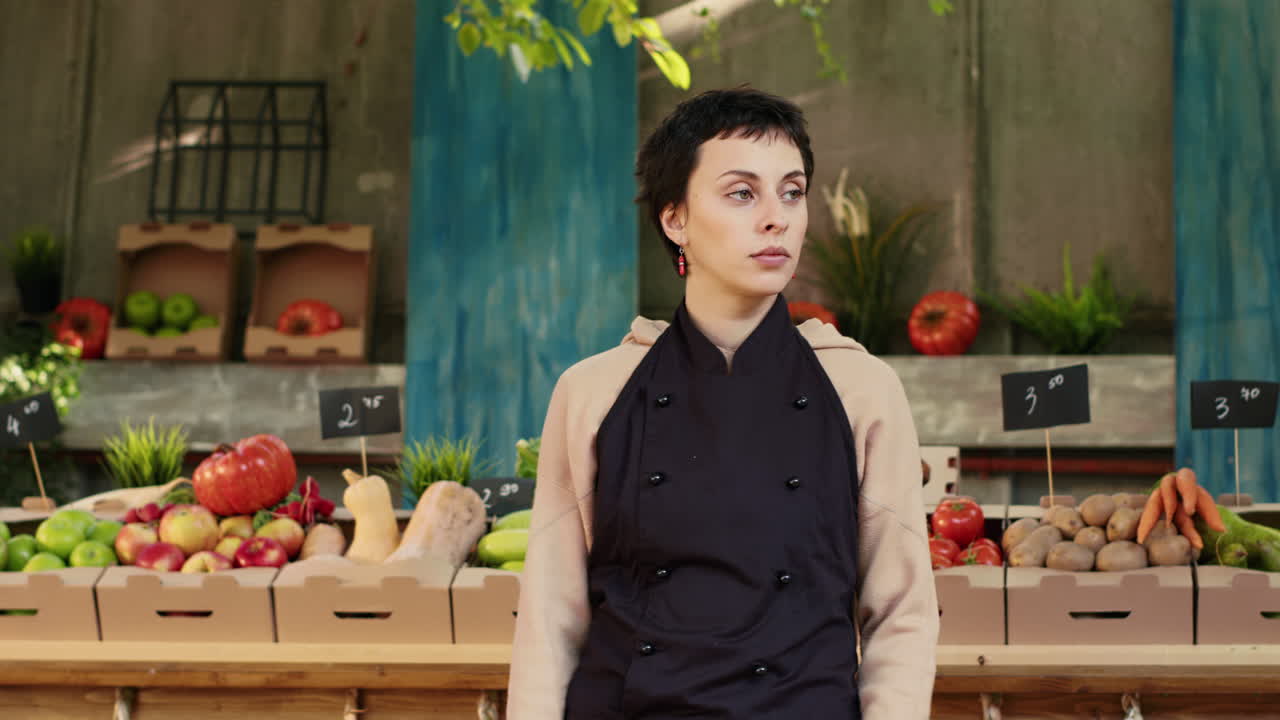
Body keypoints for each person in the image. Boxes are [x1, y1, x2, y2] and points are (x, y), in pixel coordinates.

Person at [506, 86, 938, 719]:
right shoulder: (594, 391)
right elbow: (550, 616)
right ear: (674, 218)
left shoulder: (861, 389)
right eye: (742, 193)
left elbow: (901, 615)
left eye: (792, 192)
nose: (777, 217)